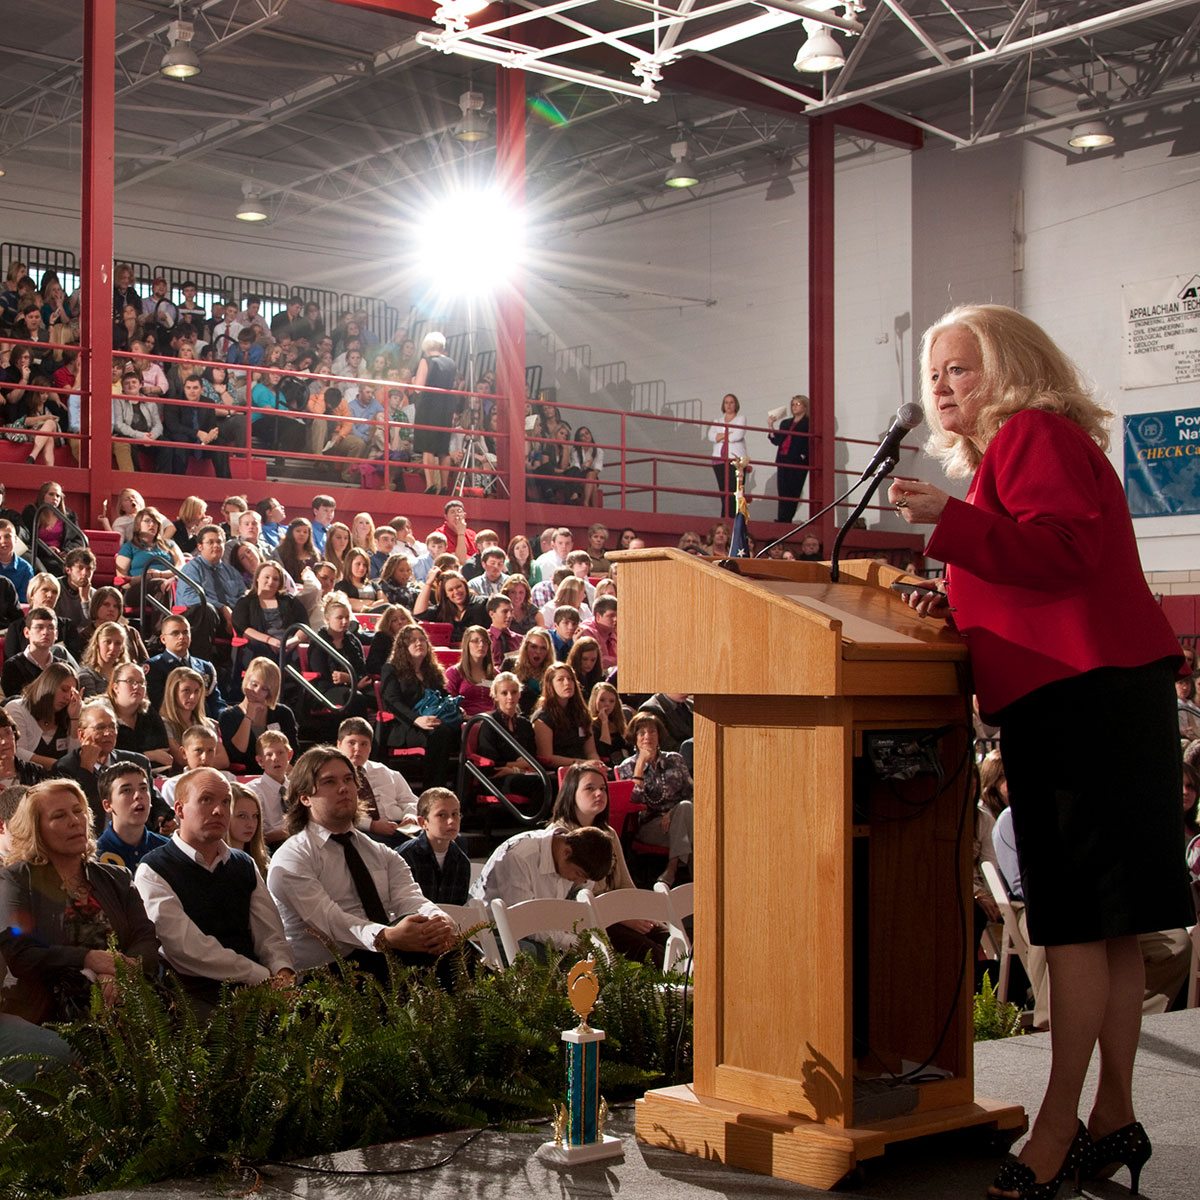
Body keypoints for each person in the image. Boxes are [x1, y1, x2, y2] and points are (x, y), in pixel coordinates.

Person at [888, 304, 1194, 1200]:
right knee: (1110, 926)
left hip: (1081, 699)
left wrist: (949, 523)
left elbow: (1062, 553)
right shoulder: (1014, 457)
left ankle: (1057, 1127)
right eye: (933, 374)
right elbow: (1035, 573)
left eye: (960, 369)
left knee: (1072, 929)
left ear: (1008, 367)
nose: (942, 387)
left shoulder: (1032, 435)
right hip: (1101, 695)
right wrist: (960, 606)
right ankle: (1113, 1117)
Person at [266, 746, 457, 973]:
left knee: (457, 953)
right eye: (330, 782)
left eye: (348, 779)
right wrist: (387, 936)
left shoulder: (378, 852)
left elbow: (410, 898)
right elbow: (331, 922)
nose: (344, 788)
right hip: (327, 975)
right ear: (305, 797)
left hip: (382, 960)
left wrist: (439, 920)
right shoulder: (292, 858)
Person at [0, 779, 159, 1024]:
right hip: (48, 1013)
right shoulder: (17, 878)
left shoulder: (117, 877)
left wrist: (119, 976)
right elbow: (20, 954)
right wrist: (88, 958)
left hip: (124, 1001)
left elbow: (146, 939)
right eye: (59, 816)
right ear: (37, 829)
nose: (75, 821)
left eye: (78, 811)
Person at [135, 767, 295, 1008]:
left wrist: (283, 972)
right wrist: (262, 977)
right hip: (193, 996)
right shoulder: (153, 869)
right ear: (179, 810)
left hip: (260, 988)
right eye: (206, 800)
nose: (219, 810)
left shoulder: (243, 863)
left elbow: (270, 933)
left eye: (226, 801)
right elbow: (185, 948)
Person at [550, 761, 666, 964]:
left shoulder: (608, 833)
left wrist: (640, 912)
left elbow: (625, 884)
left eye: (603, 789)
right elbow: (572, 899)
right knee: (653, 953)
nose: (599, 794)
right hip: (591, 918)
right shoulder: (560, 837)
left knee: (670, 937)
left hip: (618, 909)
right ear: (571, 793)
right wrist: (622, 918)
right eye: (590, 788)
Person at [471, 825, 613, 960]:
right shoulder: (521, 856)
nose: (579, 881)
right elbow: (524, 923)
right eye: (578, 874)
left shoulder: (577, 866)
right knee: (531, 954)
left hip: (541, 929)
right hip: (493, 930)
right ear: (566, 852)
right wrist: (573, 943)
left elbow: (576, 915)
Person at [50, 698, 156, 834]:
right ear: (82, 735)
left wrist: (164, 816)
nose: (108, 733)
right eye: (100, 728)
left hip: (136, 836)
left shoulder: (137, 761)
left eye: (112, 727)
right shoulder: (64, 769)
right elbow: (83, 810)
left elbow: (154, 799)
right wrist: (86, 768)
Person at [615, 712, 694, 886]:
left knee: (687, 810)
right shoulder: (626, 767)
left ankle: (672, 868)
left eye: (652, 731)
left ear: (659, 735)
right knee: (693, 831)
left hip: (680, 819)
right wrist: (640, 765)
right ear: (634, 738)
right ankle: (698, 880)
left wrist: (673, 813)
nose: (647, 736)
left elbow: (692, 793)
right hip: (650, 826)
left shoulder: (675, 759)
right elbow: (633, 801)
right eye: (641, 732)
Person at [380, 624, 458, 787]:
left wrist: (456, 707)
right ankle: (434, 788)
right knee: (440, 732)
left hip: (432, 721)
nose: (419, 643)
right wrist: (417, 719)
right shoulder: (391, 669)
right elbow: (392, 702)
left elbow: (444, 695)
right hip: (405, 725)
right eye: (413, 640)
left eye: (422, 640)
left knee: (462, 731)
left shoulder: (431, 671)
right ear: (403, 646)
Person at [336, 716, 420, 842]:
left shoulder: (385, 771)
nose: (358, 749)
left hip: (399, 827)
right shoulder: (333, 776)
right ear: (339, 745)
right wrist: (372, 825)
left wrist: (410, 817)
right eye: (351, 743)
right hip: (363, 831)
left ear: (370, 747)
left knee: (441, 837)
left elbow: (410, 800)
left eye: (364, 744)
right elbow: (336, 812)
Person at [218, 657, 299, 773]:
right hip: (245, 777)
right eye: (254, 684)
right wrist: (248, 716)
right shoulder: (228, 716)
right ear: (246, 682)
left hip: (279, 774)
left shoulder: (283, 713)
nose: (257, 691)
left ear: (271, 692)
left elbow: (293, 751)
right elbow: (235, 755)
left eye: (264, 689)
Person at [144, 614, 226, 719]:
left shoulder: (205, 667)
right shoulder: (154, 667)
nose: (182, 637)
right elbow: (158, 703)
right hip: (172, 724)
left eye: (185, 632)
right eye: (175, 633)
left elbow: (216, 702)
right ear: (163, 639)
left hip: (206, 723)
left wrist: (222, 720)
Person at [398, 787, 469, 906]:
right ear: (423, 822)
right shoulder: (405, 856)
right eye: (442, 815)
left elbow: (459, 905)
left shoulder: (461, 860)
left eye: (455, 814)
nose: (451, 821)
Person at [95, 761, 169, 873]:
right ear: (108, 805)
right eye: (127, 790)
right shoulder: (96, 856)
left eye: (143, 788)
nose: (138, 795)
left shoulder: (166, 849)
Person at [4, 664, 81, 771]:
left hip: (62, 781)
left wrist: (74, 718)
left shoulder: (69, 713)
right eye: (64, 690)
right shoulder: (17, 708)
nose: (68, 697)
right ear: (48, 686)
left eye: (72, 693)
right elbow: (17, 752)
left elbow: (75, 758)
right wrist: (55, 764)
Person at [412, 332, 460, 493]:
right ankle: (445, 485)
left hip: (428, 406)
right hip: (446, 406)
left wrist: (413, 382)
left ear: (426, 346)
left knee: (428, 447)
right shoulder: (451, 363)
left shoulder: (426, 361)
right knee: (443, 448)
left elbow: (418, 387)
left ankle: (430, 484)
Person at [231, 561, 308, 662]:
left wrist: (290, 643)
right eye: (267, 577)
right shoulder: (245, 602)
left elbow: (304, 626)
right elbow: (243, 628)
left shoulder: (290, 601)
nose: (271, 582)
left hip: (289, 646)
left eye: (275, 579)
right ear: (257, 578)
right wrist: (269, 640)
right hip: (260, 647)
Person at [532, 662, 598, 769]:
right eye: (560, 679)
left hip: (584, 767)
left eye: (570, 679)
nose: (567, 683)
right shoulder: (543, 718)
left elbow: (591, 752)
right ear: (550, 685)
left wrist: (596, 764)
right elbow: (546, 757)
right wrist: (582, 763)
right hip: (559, 771)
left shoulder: (582, 713)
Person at [161, 667, 229, 770]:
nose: (193, 696)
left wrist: (195, 761)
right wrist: (208, 762)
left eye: (196, 691)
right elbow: (181, 759)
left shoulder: (207, 724)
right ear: (173, 693)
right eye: (186, 691)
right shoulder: (165, 724)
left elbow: (223, 761)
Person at [107, 663, 172, 769]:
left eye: (141, 682)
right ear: (115, 687)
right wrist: (150, 755)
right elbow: (108, 756)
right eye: (130, 681)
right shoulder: (101, 713)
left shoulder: (148, 711)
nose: (137, 686)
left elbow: (163, 749)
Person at [2, 607, 78, 697]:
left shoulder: (65, 667)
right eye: (39, 627)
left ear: (56, 634)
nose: (45, 632)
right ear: (27, 632)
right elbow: (14, 702)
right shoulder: (13, 666)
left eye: (51, 628)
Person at [412, 566, 487, 647]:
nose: (456, 592)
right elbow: (419, 613)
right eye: (450, 590)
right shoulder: (442, 610)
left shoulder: (482, 604)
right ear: (446, 594)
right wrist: (428, 583)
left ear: (465, 586)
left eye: (459, 587)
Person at [767, 394, 810, 524]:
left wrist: (803, 455)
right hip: (783, 459)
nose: (794, 407)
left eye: (797, 404)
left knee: (793, 490)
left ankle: (787, 519)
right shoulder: (785, 423)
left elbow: (809, 442)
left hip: (797, 461)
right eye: (793, 404)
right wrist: (771, 426)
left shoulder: (808, 423)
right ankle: (782, 519)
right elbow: (777, 441)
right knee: (783, 490)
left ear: (805, 406)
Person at [246, 730, 293, 846]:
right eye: (269, 754)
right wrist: (286, 833)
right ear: (260, 761)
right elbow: (253, 836)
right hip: (269, 847)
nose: (275, 758)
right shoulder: (254, 791)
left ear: (290, 755)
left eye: (280, 753)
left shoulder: (296, 787)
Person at [709, 392, 746, 518]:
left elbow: (738, 435)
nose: (729, 405)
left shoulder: (741, 419)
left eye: (731, 402)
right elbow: (711, 436)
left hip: (735, 459)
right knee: (723, 491)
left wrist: (721, 436)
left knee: (734, 490)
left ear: (736, 405)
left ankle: (733, 517)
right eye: (726, 402)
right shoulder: (717, 420)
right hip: (719, 459)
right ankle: (725, 516)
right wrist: (728, 434)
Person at [445, 625, 497, 717]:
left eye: (485, 641)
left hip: (493, 721)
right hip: (465, 722)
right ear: (466, 644)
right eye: (475, 641)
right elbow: (449, 703)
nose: (481, 645)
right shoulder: (454, 673)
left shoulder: (496, 674)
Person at [227, 783, 270, 877]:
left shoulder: (262, 859)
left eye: (255, 816)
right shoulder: (215, 862)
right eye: (241, 816)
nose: (251, 824)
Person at [589, 681, 629, 767]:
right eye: (602, 700)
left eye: (612, 701)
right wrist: (604, 723)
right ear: (594, 700)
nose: (607, 704)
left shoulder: (619, 722)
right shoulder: (590, 725)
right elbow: (604, 752)